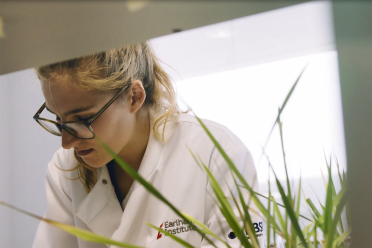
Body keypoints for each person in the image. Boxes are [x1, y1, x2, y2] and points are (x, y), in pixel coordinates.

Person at [32, 42, 263, 248]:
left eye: (83, 119)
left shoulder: (216, 155)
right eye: (59, 119)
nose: (66, 142)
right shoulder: (66, 170)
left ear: (134, 96)